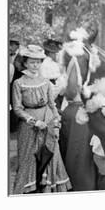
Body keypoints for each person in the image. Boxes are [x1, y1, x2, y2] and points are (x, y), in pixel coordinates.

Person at [11, 45, 71, 194]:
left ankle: (47, 190)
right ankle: (29, 190)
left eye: (38, 62)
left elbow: (52, 104)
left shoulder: (45, 81)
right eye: (32, 62)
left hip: (48, 121)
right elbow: (17, 108)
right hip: (29, 126)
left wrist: (56, 123)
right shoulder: (18, 83)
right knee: (28, 158)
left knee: (51, 155)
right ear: (25, 63)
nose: (35, 65)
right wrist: (33, 121)